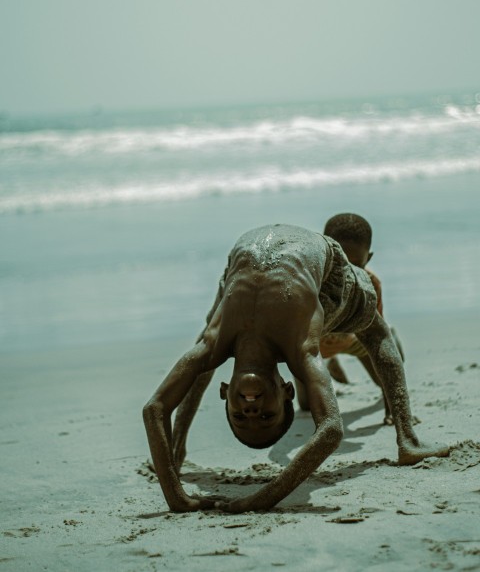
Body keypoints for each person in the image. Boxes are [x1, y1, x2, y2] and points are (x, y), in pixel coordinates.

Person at [143, 223, 448, 513]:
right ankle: (407, 438)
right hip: (327, 269)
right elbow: (331, 430)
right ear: (287, 390)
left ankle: (178, 448)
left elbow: (154, 408)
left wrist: (175, 495)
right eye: (267, 415)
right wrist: (265, 497)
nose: (252, 410)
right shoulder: (301, 349)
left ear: (225, 393)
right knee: (374, 328)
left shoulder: (213, 346)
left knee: (203, 350)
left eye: (240, 416)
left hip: (239, 266)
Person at [296, 213, 403, 425]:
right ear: (325, 252)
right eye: (341, 263)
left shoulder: (371, 285)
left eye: (356, 265)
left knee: (386, 380)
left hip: (356, 340)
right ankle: (330, 361)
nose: (349, 273)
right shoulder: (309, 283)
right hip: (314, 349)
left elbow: (376, 338)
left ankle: (394, 336)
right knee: (307, 406)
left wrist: (393, 412)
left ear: (368, 258)